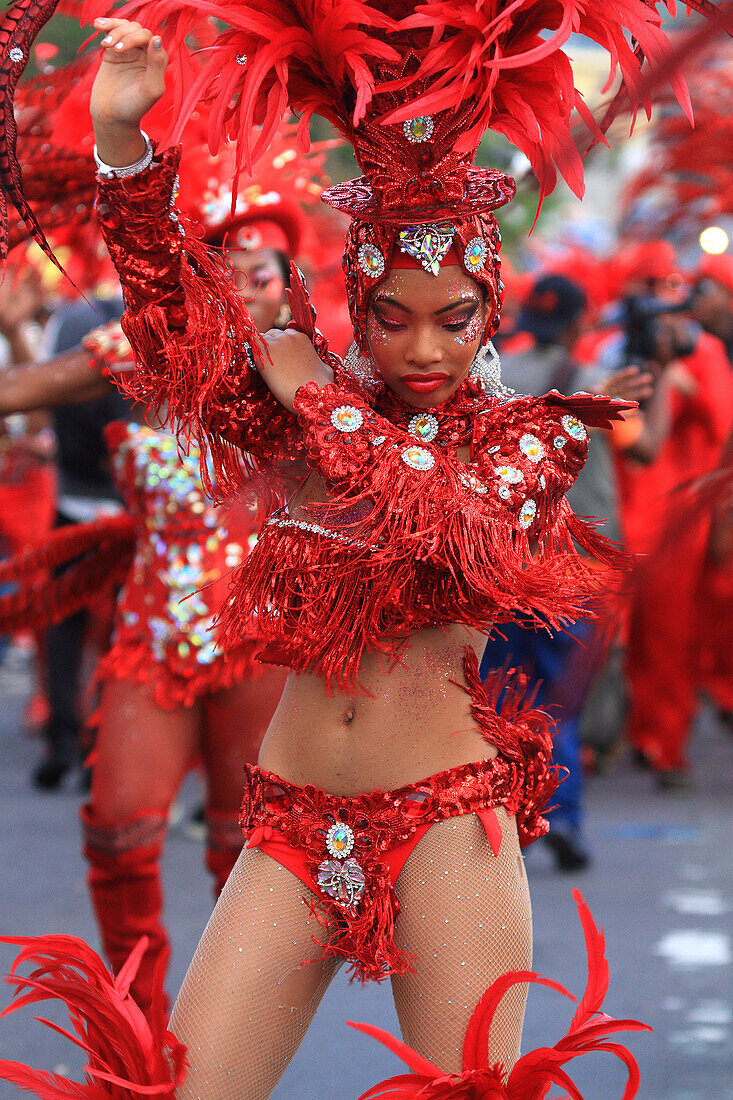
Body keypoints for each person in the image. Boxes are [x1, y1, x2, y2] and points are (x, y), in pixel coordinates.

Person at [1, 0, 719, 1094]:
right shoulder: (297, 409)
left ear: (492, 311)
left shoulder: (529, 439)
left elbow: (450, 529)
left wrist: (316, 399)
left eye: (452, 315)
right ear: (357, 301)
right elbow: (169, 336)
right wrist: (122, 145)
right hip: (288, 818)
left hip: (445, 826)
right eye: (390, 314)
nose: (421, 345)